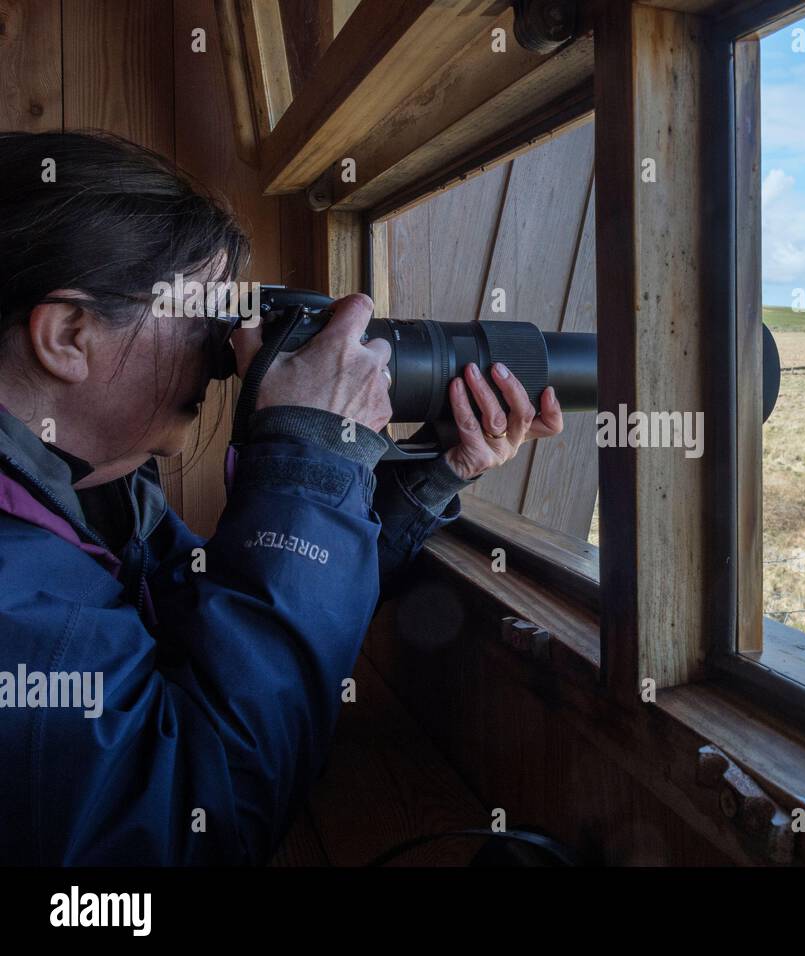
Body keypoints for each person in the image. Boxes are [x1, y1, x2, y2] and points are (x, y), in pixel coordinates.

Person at [0, 131, 563, 865]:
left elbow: (225, 625)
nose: (227, 347)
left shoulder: (87, 499)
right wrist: (305, 461)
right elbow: (194, 825)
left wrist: (416, 477)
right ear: (69, 335)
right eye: (202, 315)